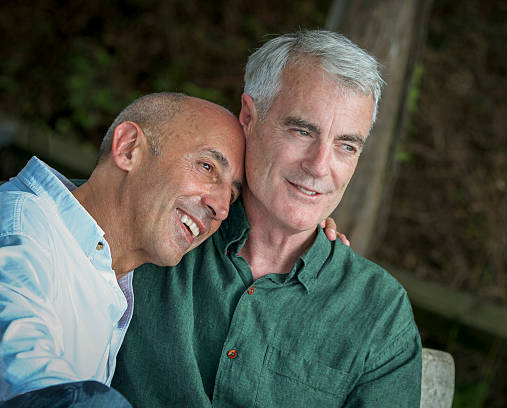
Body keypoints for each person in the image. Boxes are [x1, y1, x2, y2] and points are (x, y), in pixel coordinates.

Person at [112, 30, 422, 407]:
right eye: (302, 130)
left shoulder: (379, 313)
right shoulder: (153, 222)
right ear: (248, 116)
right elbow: (54, 209)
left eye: (345, 145)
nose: (319, 166)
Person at [0, 92, 245, 407]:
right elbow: (29, 382)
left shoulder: (110, 276)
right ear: (128, 148)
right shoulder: (19, 229)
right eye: (207, 167)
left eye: (233, 196)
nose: (222, 208)